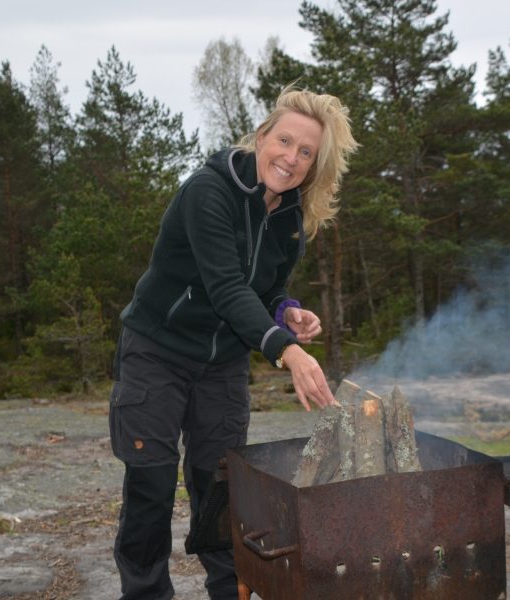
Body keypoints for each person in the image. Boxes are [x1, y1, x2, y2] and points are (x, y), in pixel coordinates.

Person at [109, 88, 359, 600]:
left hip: (221, 366)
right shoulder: (209, 191)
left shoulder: (290, 221)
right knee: (151, 488)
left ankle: (231, 593)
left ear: (314, 165)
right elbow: (224, 285)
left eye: (305, 152)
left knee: (221, 491)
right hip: (157, 350)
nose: (291, 157)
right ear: (261, 136)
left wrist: (287, 311)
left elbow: (263, 290)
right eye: (284, 140)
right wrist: (287, 351)